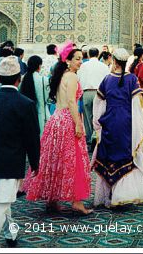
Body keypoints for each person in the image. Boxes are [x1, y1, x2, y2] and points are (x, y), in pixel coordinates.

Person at [25, 41, 93, 215]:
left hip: (56, 120)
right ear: (68, 60)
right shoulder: (71, 76)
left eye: (81, 58)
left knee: (55, 158)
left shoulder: (61, 74)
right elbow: (71, 101)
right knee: (73, 159)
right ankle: (76, 202)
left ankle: (52, 200)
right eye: (77, 59)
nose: (80, 61)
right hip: (67, 120)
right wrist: (78, 123)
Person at [92, 48, 143, 208]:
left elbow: (99, 105)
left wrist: (97, 125)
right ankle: (124, 194)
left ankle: (111, 194)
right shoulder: (132, 79)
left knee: (109, 155)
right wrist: (138, 125)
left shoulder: (106, 80)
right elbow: (137, 106)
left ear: (114, 61)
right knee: (125, 154)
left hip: (110, 122)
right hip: (126, 122)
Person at [0, 56, 40, 247]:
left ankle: (11, 234)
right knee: (0, 205)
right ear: (18, 79)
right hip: (9, 163)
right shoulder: (25, 104)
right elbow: (32, 138)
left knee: (2, 201)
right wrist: (35, 164)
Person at [78, 46, 110, 151]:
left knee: (87, 118)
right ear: (98, 54)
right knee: (99, 116)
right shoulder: (104, 66)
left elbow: (78, 79)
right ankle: (98, 138)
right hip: (99, 93)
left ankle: (88, 140)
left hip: (86, 92)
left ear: (88, 54)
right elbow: (107, 81)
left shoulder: (83, 66)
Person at [20, 55, 51, 135]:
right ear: (39, 66)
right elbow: (48, 99)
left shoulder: (23, 79)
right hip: (42, 113)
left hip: (25, 115)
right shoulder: (44, 80)